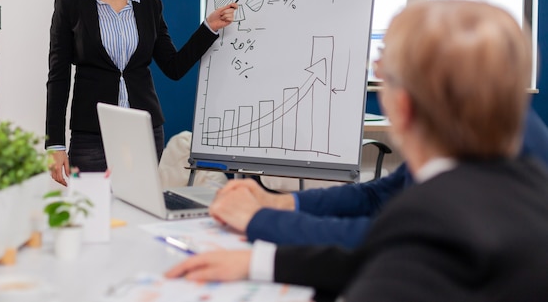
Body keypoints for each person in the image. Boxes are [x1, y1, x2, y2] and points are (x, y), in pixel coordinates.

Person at [166, 0, 548, 302]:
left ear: (402, 106)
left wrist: (261, 227)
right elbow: (384, 210)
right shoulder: (518, 170)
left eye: (382, 69)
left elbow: (386, 246)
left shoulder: (430, 216)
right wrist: (274, 220)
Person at [46, 0, 237, 186]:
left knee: (137, 210)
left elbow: (174, 66)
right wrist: (55, 145)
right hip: (91, 133)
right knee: (94, 210)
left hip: (144, 132)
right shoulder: (70, 6)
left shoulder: (150, 6)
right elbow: (58, 78)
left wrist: (209, 27)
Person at [206, 107, 548, 249]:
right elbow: (379, 196)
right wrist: (279, 202)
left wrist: (259, 221)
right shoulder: (457, 119)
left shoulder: (493, 139)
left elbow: (398, 239)